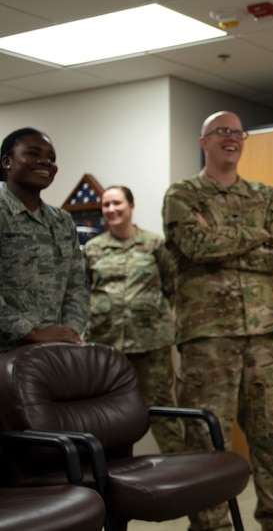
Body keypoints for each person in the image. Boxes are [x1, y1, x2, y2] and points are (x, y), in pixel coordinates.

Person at [162, 111, 273, 531]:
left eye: (237, 133)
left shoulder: (265, 195)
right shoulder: (183, 194)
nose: (231, 138)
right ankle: (211, 525)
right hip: (208, 338)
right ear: (203, 141)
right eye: (220, 132)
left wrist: (224, 240)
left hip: (266, 337)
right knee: (206, 439)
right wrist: (254, 235)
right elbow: (193, 243)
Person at [84, 185, 183, 453]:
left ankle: (179, 466)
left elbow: (172, 285)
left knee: (162, 407)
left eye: (117, 203)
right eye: (106, 205)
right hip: (106, 344)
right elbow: (83, 291)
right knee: (106, 410)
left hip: (150, 342)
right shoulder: (92, 249)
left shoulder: (154, 243)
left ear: (131, 206)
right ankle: (109, 467)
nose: (112, 209)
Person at [0, 127, 89, 355]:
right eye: (33, 153)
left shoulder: (62, 221)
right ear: (7, 162)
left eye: (51, 158)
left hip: (53, 352)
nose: (45, 162)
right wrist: (30, 333)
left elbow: (77, 285)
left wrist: (68, 332)